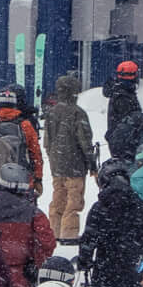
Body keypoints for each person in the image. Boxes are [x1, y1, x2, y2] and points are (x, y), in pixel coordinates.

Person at [44, 73, 96, 239]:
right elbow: (85, 142)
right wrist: (92, 164)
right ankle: (69, 235)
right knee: (73, 202)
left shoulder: (51, 112)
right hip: (75, 164)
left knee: (57, 199)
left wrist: (53, 158)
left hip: (56, 164)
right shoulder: (78, 113)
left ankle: (54, 231)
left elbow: (47, 142)